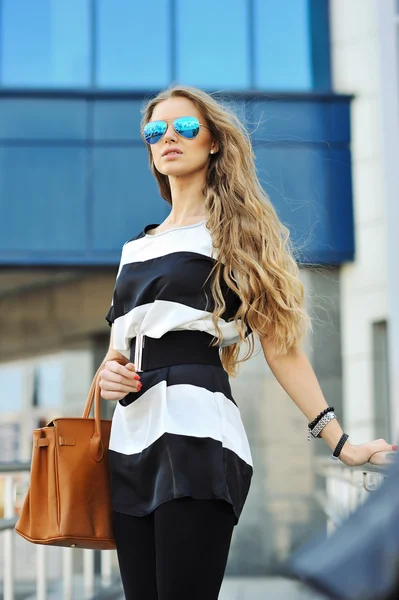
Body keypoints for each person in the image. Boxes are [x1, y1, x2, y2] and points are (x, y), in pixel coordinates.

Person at [98, 84, 396, 600]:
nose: (168, 137)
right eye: (155, 131)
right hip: (131, 439)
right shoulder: (134, 249)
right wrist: (108, 376)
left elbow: (282, 348)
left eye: (185, 127)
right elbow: (115, 352)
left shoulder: (233, 236)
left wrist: (341, 442)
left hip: (199, 436)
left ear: (214, 142)